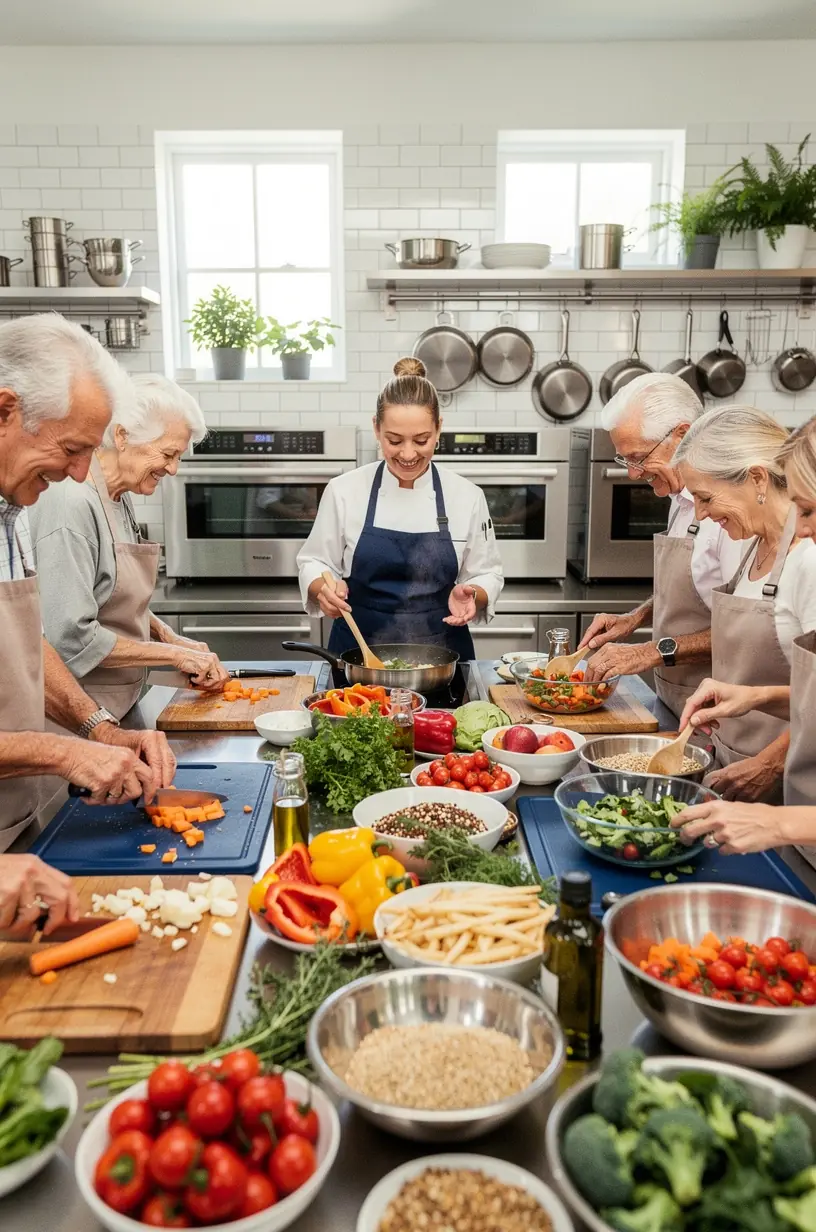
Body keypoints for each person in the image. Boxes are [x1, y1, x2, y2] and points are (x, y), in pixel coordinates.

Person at [0, 314, 176, 869]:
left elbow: (30, 646)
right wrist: (62, 750)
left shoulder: (14, 511)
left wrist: (98, 728)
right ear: (4, 411)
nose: (80, 475)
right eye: (72, 448)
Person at [29, 373, 230, 719]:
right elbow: (71, 637)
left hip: (119, 702)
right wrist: (174, 656)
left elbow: (112, 595)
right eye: (168, 453)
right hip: (78, 717)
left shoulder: (119, 495)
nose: (173, 469)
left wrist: (171, 637)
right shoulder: (71, 503)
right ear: (122, 436)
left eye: (179, 456)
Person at [672, 414, 816, 854]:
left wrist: (775, 798)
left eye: (704, 496)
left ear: (756, 478)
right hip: (781, 804)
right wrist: (754, 697)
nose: (698, 513)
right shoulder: (752, 544)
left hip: (788, 804)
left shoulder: (807, 560)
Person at [297, 357, 503, 659]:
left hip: (442, 656)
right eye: (394, 440)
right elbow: (315, 561)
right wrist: (321, 588)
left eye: (421, 440)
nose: (408, 453)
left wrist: (473, 594)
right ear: (376, 429)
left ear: (439, 429)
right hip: (358, 651)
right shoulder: (344, 491)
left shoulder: (467, 496)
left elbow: (487, 573)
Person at [580, 373, 742, 718]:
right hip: (677, 697)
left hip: (720, 710)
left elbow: (743, 632)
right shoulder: (680, 496)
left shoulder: (730, 515)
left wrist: (649, 651)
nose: (634, 474)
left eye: (639, 457)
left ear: (682, 435)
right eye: (626, 460)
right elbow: (699, 587)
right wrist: (637, 617)